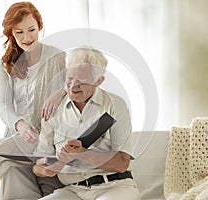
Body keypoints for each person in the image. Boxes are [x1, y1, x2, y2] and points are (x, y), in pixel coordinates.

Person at [0, 2, 66, 200]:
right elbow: (3, 105)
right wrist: (19, 124)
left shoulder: (57, 57)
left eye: (31, 30)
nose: (27, 38)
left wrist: (60, 91)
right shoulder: (5, 64)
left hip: (43, 137)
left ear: (40, 27)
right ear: (11, 33)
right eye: (19, 32)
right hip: (17, 136)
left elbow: (76, 86)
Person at [32, 47, 141, 200]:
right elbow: (37, 166)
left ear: (99, 81)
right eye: (70, 78)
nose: (73, 86)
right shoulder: (53, 109)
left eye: (82, 81)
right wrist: (48, 168)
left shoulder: (115, 105)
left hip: (114, 187)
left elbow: (122, 163)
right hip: (72, 191)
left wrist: (83, 154)